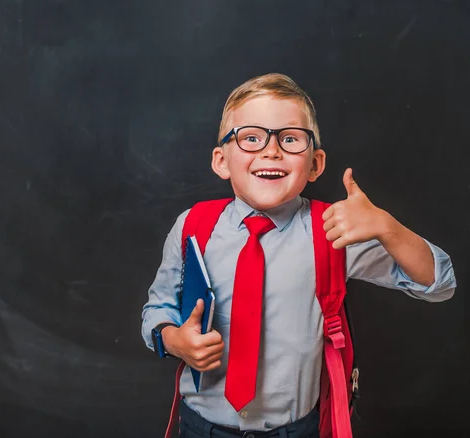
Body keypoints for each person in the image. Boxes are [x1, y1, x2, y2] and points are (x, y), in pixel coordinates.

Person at [141, 73, 456, 438]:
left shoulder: (333, 229)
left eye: (290, 139)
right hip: (201, 425)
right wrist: (172, 339)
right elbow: (158, 307)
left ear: (315, 164)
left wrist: (388, 227)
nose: (271, 150)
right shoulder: (193, 225)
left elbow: (438, 283)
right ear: (221, 161)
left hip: (294, 430)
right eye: (251, 138)